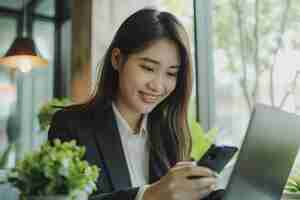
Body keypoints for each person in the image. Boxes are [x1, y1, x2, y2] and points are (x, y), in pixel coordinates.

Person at [48, 7, 222, 200]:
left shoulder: (168, 133)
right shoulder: (71, 125)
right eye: (148, 68)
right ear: (117, 59)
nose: (157, 86)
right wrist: (147, 196)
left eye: (171, 73)